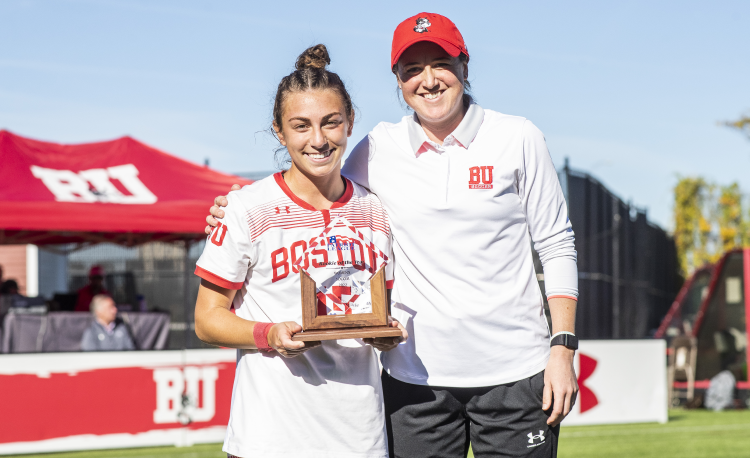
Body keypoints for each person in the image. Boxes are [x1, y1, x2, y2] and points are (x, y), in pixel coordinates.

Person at [208, 13, 579, 458]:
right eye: (412, 69)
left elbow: (556, 244)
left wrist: (562, 348)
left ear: (464, 64)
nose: (429, 80)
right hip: (414, 383)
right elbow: (315, 180)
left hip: (516, 373)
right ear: (398, 80)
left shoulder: (517, 137)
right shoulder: (378, 148)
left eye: (440, 62)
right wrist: (234, 206)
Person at [193, 45, 407, 458]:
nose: (318, 140)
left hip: (360, 440)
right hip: (269, 439)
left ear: (349, 122)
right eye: (301, 126)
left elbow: (386, 307)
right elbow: (206, 320)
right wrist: (268, 334)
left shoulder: (377, 210)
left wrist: (385, 334)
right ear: (279, 130)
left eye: (331, 123)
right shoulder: (247, 207)